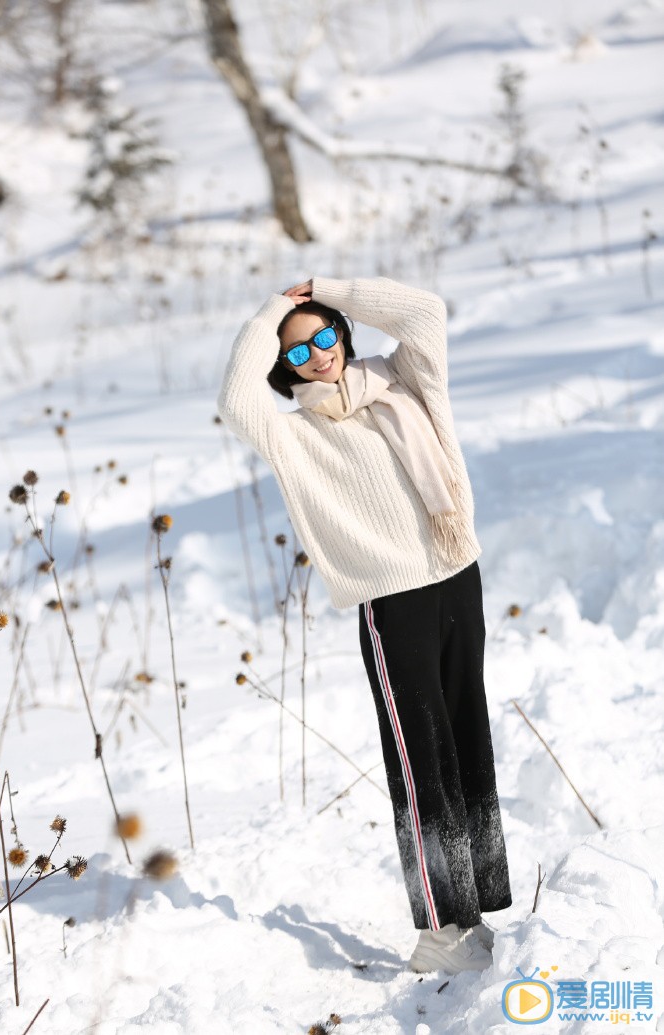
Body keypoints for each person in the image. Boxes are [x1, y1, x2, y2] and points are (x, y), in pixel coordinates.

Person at [216, 275, 513, 975]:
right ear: (285, 368)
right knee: (419, 760)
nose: (318, 354)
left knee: (467, 734)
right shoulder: (293, 435)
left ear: (344, 332)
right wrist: (273, 311)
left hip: (456, 576)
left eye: (325, 335)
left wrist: (327, 288)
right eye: (298, 351)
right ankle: (443, 926)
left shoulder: (406, 381)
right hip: (392, 602)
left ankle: (478, 904)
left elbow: (424, 311)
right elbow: (233, 398)